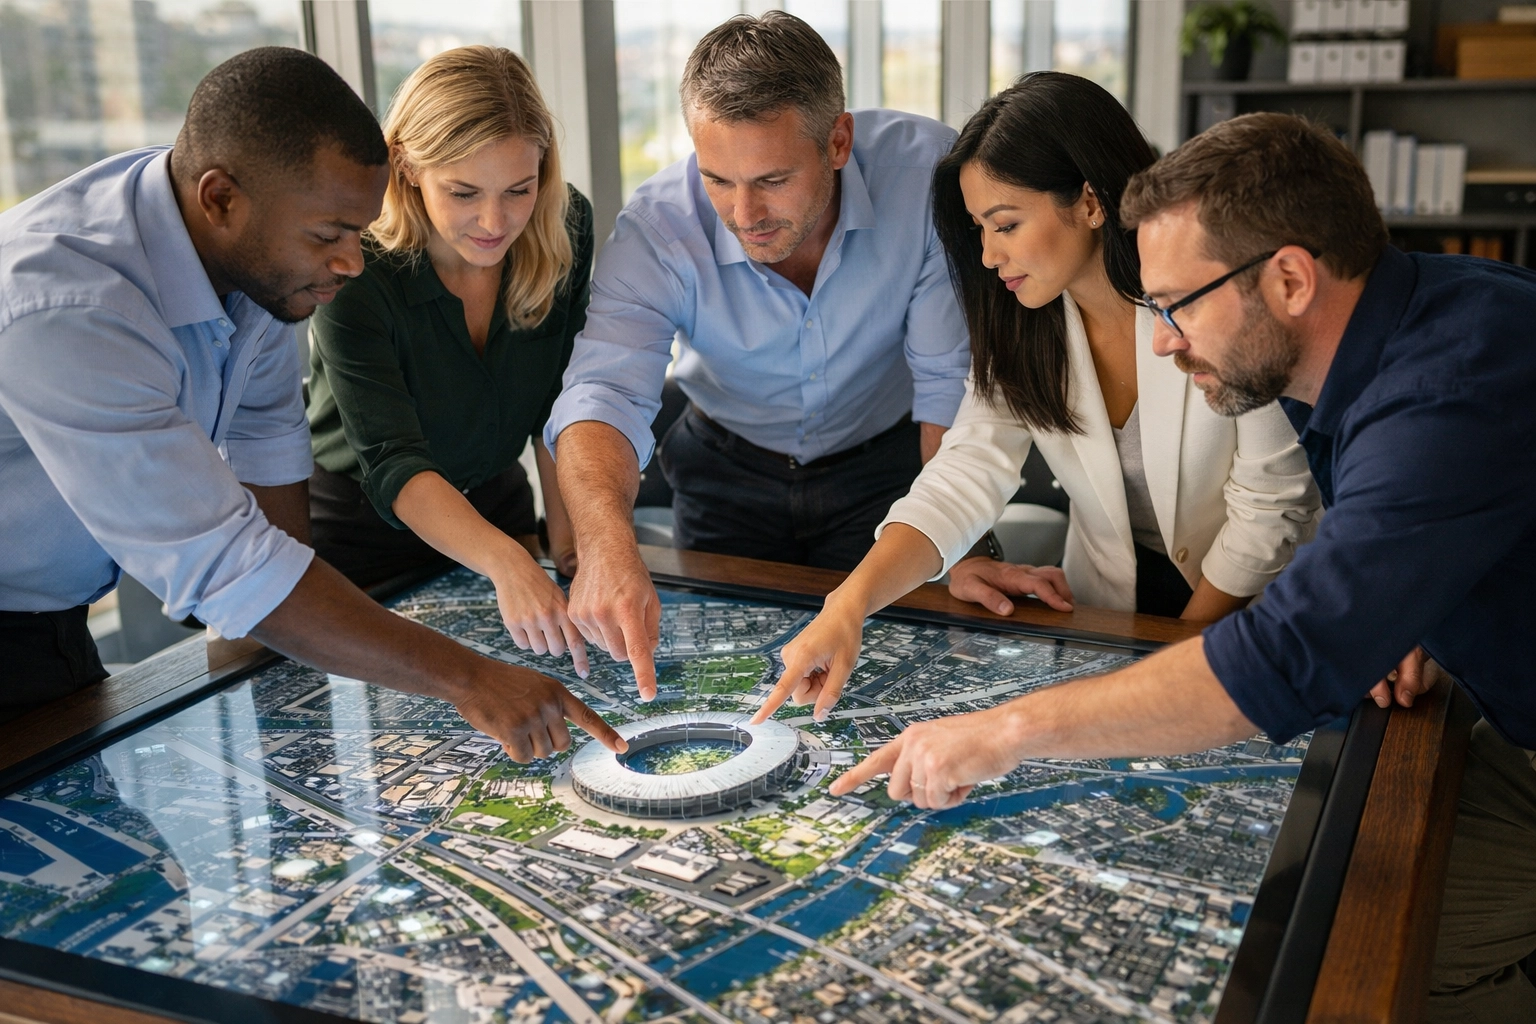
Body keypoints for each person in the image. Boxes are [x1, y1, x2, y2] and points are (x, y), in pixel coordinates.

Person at [806, 113, 1536, 1021]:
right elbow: (1411, 526)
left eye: (1180, 304)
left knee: (1380, 951)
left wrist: (1003, 732)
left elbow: (1284, 656)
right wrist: (1401, 601)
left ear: (1290, 279)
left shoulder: (1445, 394)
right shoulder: (1415, 324)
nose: (1162, 340)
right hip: (1495, 702)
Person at [0, 47, 621, 763]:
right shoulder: (72, 308)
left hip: (53, 622)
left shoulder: (247, 247)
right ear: (219, 200)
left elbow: (267, 441)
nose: (353, 262)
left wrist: (269, 654)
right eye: (329, 236)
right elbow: (225, 567)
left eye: (356, 231)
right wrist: (471, 679)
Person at [752, 73, 1320, 722]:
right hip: (1112, 612)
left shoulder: (1213, 292)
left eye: (1006, 224)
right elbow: (964, 471)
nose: (988, 256)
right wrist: (849, 606)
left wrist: (1173, 660)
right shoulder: (1024, 324)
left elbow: (1272, 505)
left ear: (1089, 201)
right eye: (979, 230)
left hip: (1259, 609)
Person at [545, 11, 971, 700]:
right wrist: (604, 543)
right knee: (726, 686)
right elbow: (603, 394)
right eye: (717, 178)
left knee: (883, 685)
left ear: (838, 141)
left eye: (773, 179)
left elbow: (947, 382)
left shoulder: (927, 177)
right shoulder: (657, 227)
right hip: (725, 474)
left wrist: (963, 543)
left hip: (888, 473)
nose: (744, 214)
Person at [306, 46, 592, 675]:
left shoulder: (565, 225)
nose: (495, 221)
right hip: (359, 539)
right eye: (463, 192)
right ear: (406, 166)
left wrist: (574, 545)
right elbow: (392, 460)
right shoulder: (353, 265)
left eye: (519, 189)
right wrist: (508, 562)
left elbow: (562, 405)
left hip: (497, 508)